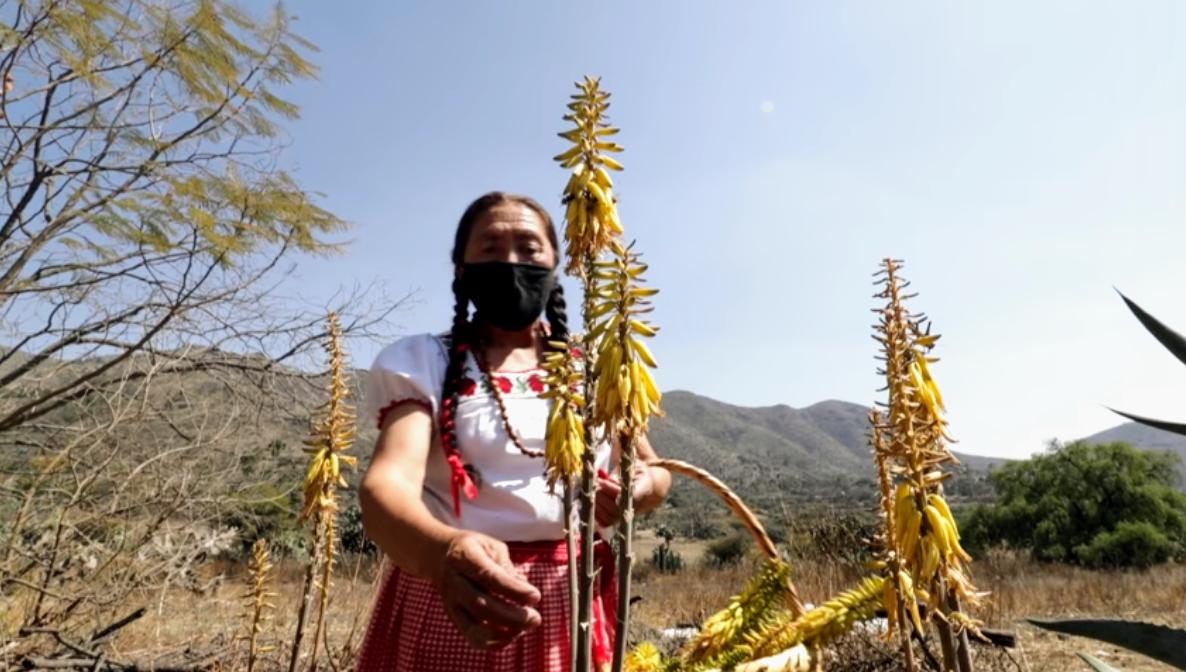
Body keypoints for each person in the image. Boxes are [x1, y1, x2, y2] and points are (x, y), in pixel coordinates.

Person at [355, 192, 672, 672]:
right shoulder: (421, 361)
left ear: (555, 264)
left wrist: (638, 489)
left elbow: (653, 471)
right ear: (460, 268)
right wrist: (444, 553)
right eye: (489, 248)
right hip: (458, 592)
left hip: (574, 598)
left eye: (528, 248)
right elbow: (387, 487)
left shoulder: (598, 370)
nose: (510, 262)